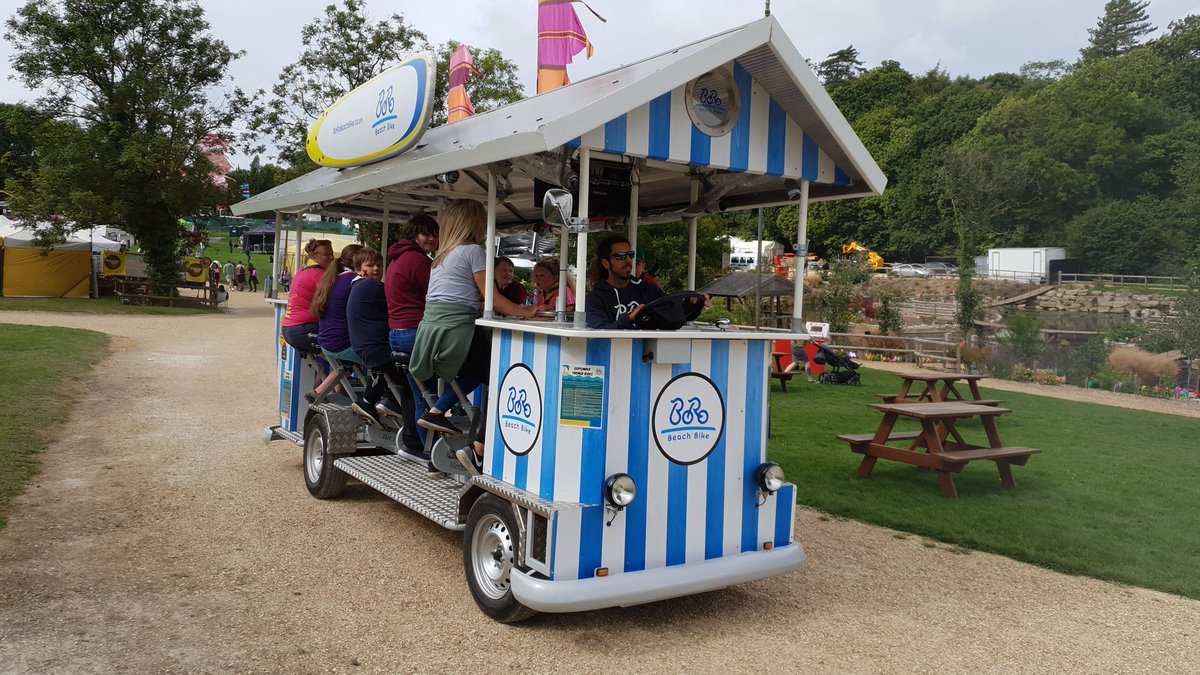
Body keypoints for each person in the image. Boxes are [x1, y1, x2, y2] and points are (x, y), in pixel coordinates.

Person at [409, 200, 545, 474]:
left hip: (434, 333)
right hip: (456, 333)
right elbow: (492, 299)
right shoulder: (474, 251)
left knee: (485, 372)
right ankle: (476, 446)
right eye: (483, 220)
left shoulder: (443, 255)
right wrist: (527, 312)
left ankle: (440, 414)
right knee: (500, 377)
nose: (486, 226)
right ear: (473, 223)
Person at [346, 248, 420, 460]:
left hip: (368, 348)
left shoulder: (358, 286)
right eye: (370, 265)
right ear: (359, 269)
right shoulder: (372, 286)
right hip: (378, 350)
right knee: (412, 384)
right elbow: (401, 302)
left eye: (378, 264)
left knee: (402, 377)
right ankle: (411, 441)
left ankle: (381, 401)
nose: (376, 268)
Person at [386, 213, 439, 448]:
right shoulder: (418, 261)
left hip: (397, 333)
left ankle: (417, 441)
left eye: (435, 234)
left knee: (418, 392)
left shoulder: (398, 258)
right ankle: (429, 445)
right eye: (426, 233)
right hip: (415, 332)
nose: (432, 238)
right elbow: (439, 294)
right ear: (414, 234)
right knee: (428, 393)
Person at [281, 239, 336, 397]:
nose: (332, 258)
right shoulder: (319, 275)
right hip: (304, 328)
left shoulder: (303, 271)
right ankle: (320, 393)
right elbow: (334, 301)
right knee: (343, 363)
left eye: (332, 255)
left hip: (290, 329)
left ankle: (335, 392)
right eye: (327, 255)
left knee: (331, 363)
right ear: (316, 255)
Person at [585, 234, 666, 329]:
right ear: (606, 263)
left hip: (648, 344)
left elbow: (671, 310)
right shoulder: (595, 298)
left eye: (630, 255)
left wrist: (686, 305)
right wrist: (629, 318)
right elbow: (601, 330)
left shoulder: (648, 289)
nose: (628, 261)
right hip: (615, 344)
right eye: (621, 256)